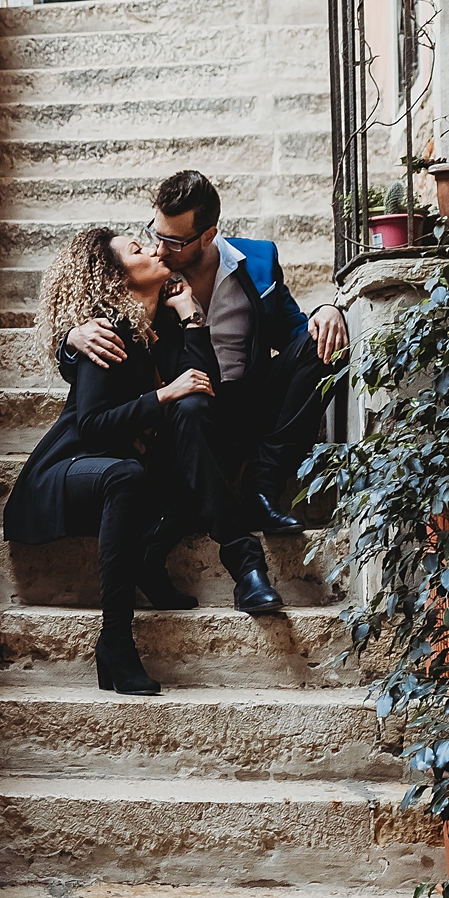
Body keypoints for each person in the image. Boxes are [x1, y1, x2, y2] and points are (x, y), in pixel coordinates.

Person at [62, 169, 349, 615]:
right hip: (188, 417)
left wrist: (331, 309)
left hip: (248, 404)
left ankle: (262, 487)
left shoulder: (257, 261)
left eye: (174, 241)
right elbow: (102, 335)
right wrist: (71, 338)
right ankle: (244, 565)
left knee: (324, 345)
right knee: (192, 406)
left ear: (208, 234)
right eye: (154, 235)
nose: (160, 249)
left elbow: (295, 330)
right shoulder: (153, 281)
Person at [5, 226, 213, 696]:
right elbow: (93, 424)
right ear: (116, 277)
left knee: (187, 476)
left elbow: (205, 381)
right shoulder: (107, 328)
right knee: (127, 474)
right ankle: (115, 641)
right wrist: (164, 393)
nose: (157, 250)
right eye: (138, 249)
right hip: (67, 471)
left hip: (117, 475)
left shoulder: (152, 328)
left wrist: (190, 314)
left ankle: (148, 563)